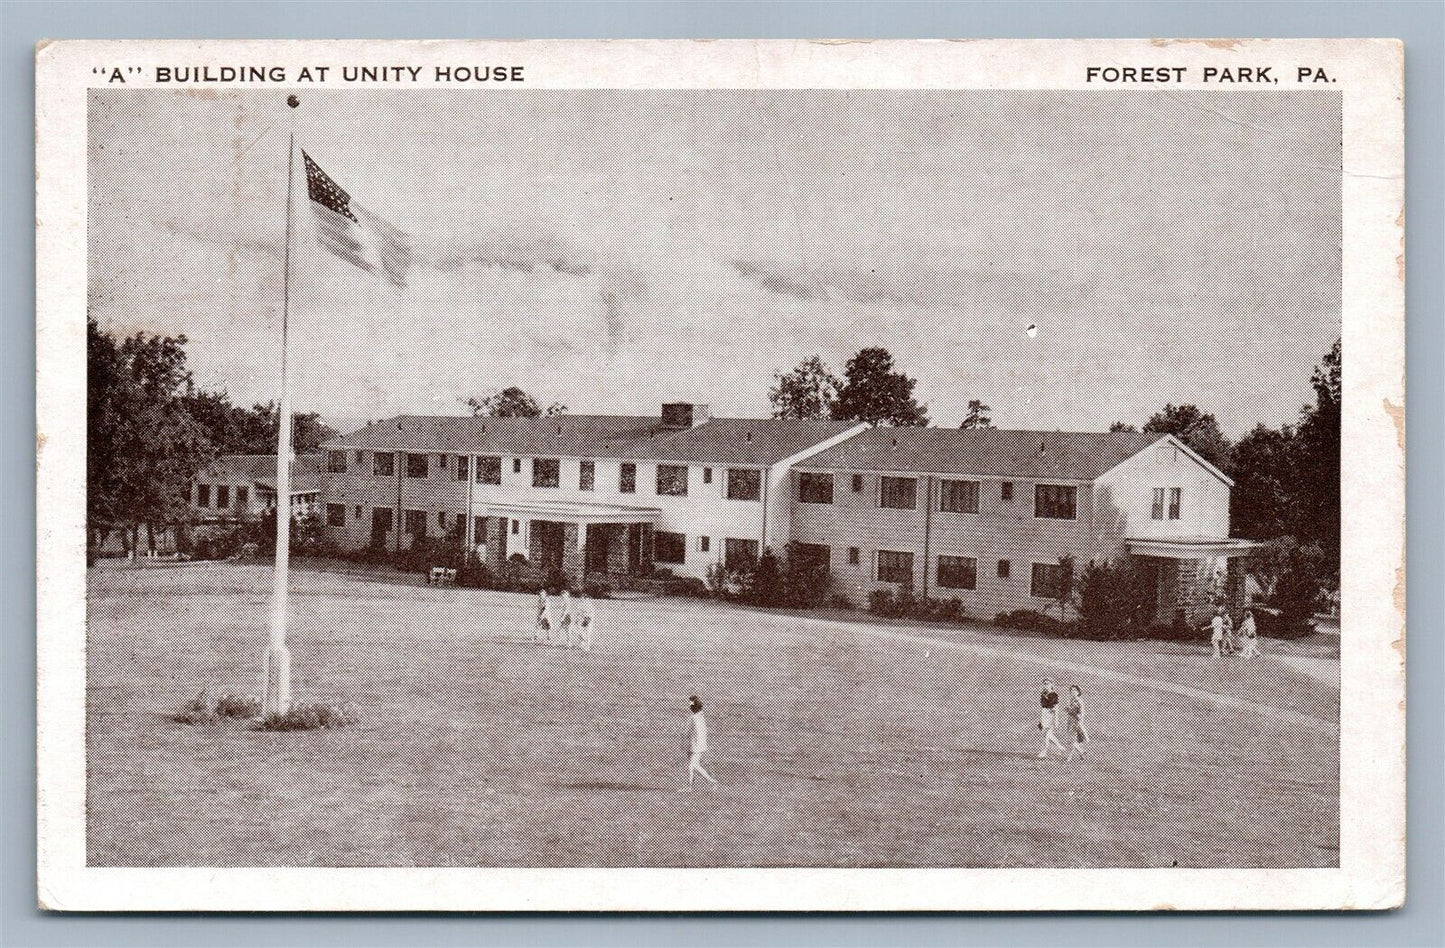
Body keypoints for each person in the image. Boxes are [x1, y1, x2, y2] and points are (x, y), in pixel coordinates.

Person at [686, 696, 718, 788]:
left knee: (692, 765)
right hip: (700, 744)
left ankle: (711, 781)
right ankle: (691, 786)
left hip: (694, 745)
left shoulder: (693, 718)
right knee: (693, 765)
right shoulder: (701, 717)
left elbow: (687, 732)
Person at [1038, 678, 1066, 759]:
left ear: (1051, 684)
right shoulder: (1043, 693)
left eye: (1047, 683)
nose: (1045, 685)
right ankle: (1060, 747)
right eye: (1044, 683)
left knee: (1046, 734)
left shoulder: (1054, 695)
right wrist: (1041, 719)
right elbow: (1043, 707)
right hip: (1044, 714)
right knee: (1049, 734)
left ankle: (1044, 751)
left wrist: (1056, 720)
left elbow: (1056, 708)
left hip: (1051, 715)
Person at [1062, 685, 1089, 760]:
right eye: (1071, 690)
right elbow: (1071, 711)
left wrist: (1069, 710)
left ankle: (1069, 758)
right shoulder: (1072, 699)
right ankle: (1081, 752)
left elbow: (1081, 714)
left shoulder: (1079, 701)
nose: (1072, 692)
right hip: (1070, 721)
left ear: (1078, 692)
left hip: (1076, 722)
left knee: (1070, 740)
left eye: (1075, 690)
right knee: (1070, 740)